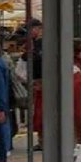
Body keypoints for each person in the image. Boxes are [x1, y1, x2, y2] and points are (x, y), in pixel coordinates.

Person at [25, 18, 45, 151]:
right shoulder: (36, 43)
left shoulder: (41, 43)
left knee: (40, 111)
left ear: (37, 28)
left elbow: (39, 61)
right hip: (38, 80)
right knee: (38, 111)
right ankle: (41, 139)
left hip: (41, 80)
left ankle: (43, 140)